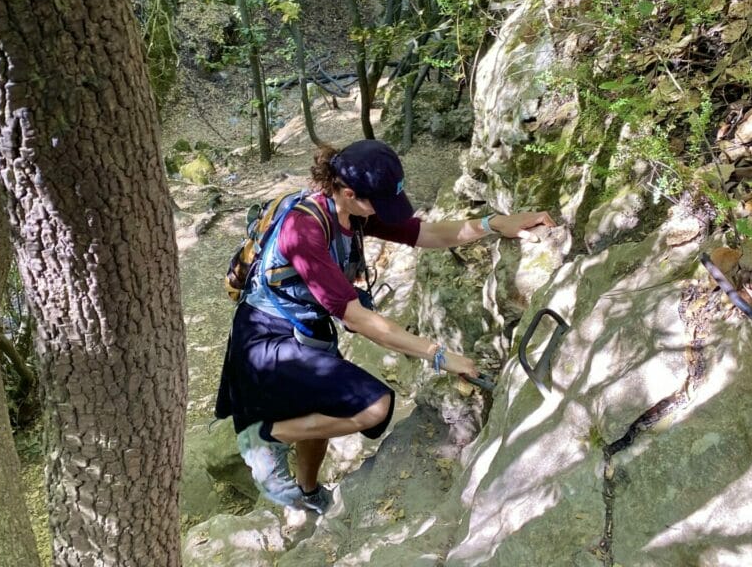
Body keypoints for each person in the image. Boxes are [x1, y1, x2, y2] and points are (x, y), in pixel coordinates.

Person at [214, 139, 556, 514]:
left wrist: (494, 224)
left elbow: (426, 234)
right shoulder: (304, 230)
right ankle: (264, 436)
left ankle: (308, 493)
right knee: (375, 406)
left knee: (323, 409)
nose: (385, 211)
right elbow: (356, 317)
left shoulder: (355, 210)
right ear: (348, 193)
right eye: (380, 203)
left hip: (307, 327)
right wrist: (438, 355)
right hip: (265, 339)